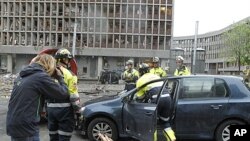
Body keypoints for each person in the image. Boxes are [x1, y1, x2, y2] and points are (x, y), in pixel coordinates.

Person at [6, 54, 69, 141]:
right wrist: (60, 78)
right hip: (27, 128)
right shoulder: (40, 77)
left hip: (13, 124)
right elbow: (63, 93)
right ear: (50, 65)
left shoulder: (22, 76)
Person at [47, 48, 81, 141]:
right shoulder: (70, 74)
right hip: (65, 111)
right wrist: (78, 110)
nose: (68, 62)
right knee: (64, 137)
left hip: (50, 110)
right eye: (68, 60)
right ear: (64, 60)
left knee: (53, 137)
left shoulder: (48, 72)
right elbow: (73, 95)